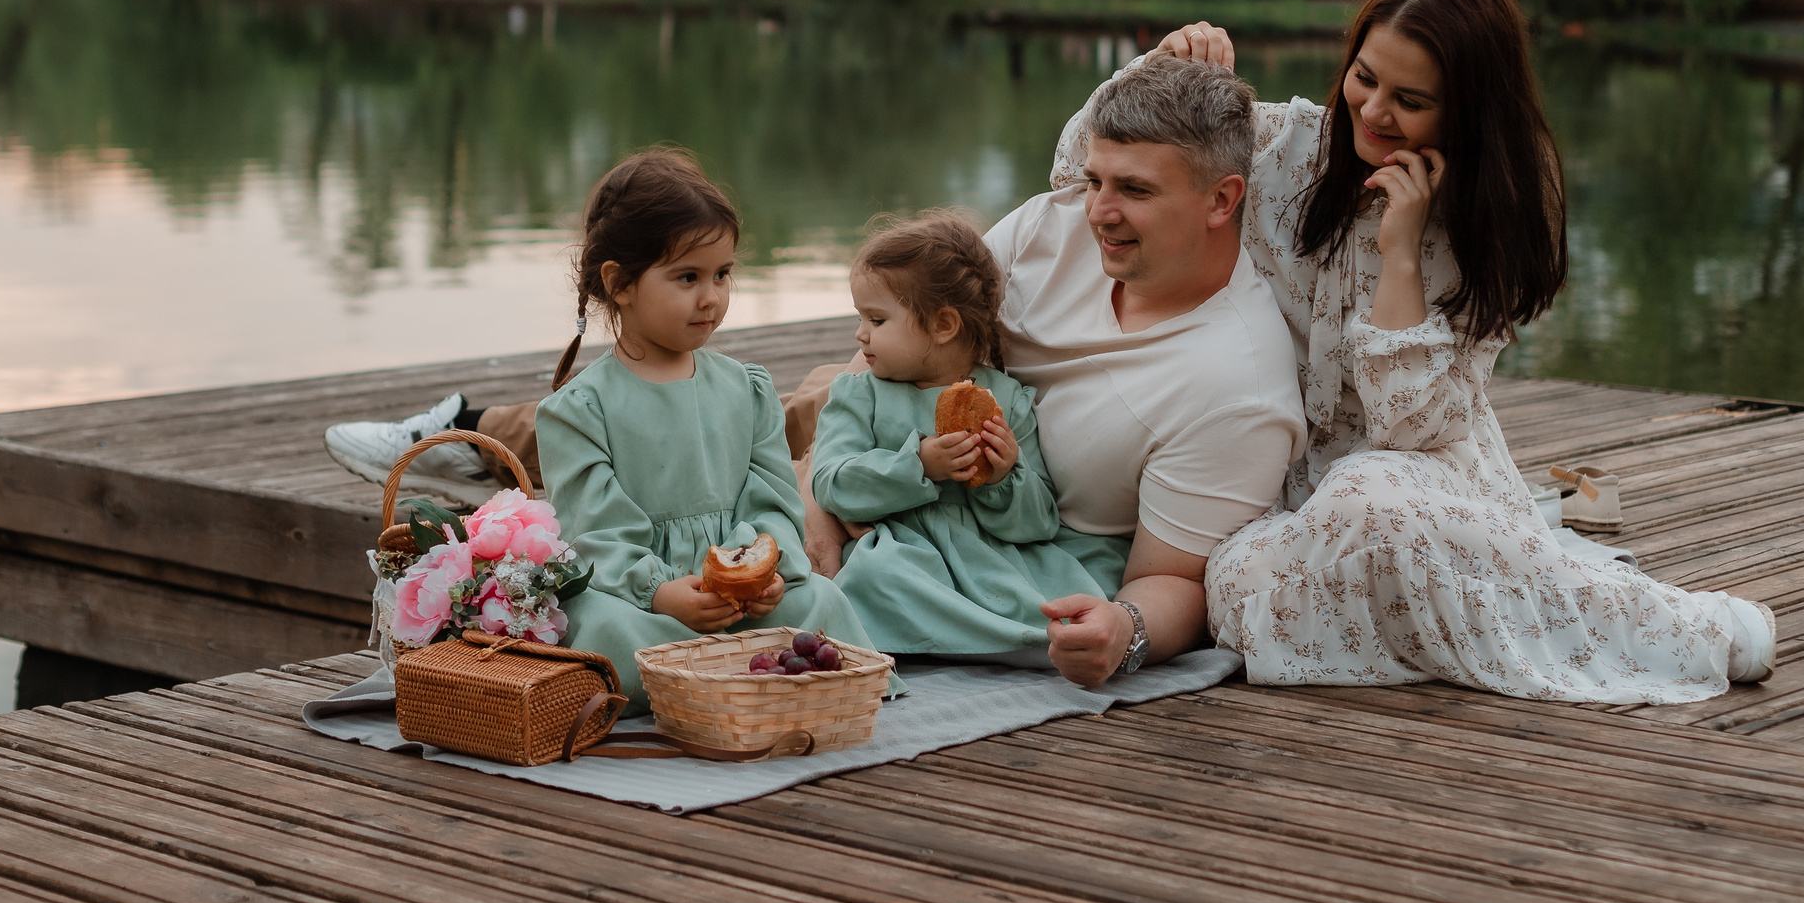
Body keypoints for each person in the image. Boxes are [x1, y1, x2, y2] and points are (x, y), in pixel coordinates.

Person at [1103, 0, 1775, 703]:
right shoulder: (1284, 147)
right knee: (1232, 583)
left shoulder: (1484, 224)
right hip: (1280, 498)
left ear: (1467, 111)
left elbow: (1409, 426)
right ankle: (1449, 611)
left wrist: (1401, 253)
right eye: (1365, 77)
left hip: (1415, 480)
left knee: (1370, 496)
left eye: (1410, 99)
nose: (1374, 110)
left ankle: (1690, 629)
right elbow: (1079, 163)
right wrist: (1158, 67)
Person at [796, 53, 1306, 687]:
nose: (1097, 211)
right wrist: (817, 501)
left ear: (1221, 200)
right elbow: (887, 357)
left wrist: (1126, 631)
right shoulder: (1049, 227)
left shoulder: (1237, 387)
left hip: (1024, 562)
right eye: (1095, 180)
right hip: (888, 486)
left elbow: (1171, 578)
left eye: (1136, 189)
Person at [532, 147, 874, 710]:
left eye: (722, 274)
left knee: (820, 605)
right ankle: (718, 685)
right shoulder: (578, 410)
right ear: (620, 283)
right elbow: (596, 533)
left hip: (741, 597)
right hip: (644, 601)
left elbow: (772, 499)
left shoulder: (748, 388)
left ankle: (717, 681)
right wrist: (662, 592)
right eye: (687, 277)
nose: (711, 297)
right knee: (603, 629)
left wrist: (762, 571)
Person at [811, 211, 1112, 658]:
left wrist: (1002, 477)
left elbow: (1041, 521)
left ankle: (1007, 636)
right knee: (874, 579)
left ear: (943, 325)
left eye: (876, 320)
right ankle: (985, 641)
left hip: (989, 554)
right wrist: (919, 466)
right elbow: (832, 483)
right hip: (904, 551)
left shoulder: (1005, 400)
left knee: (1065, 587)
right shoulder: (859, 395)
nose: (860, 335)